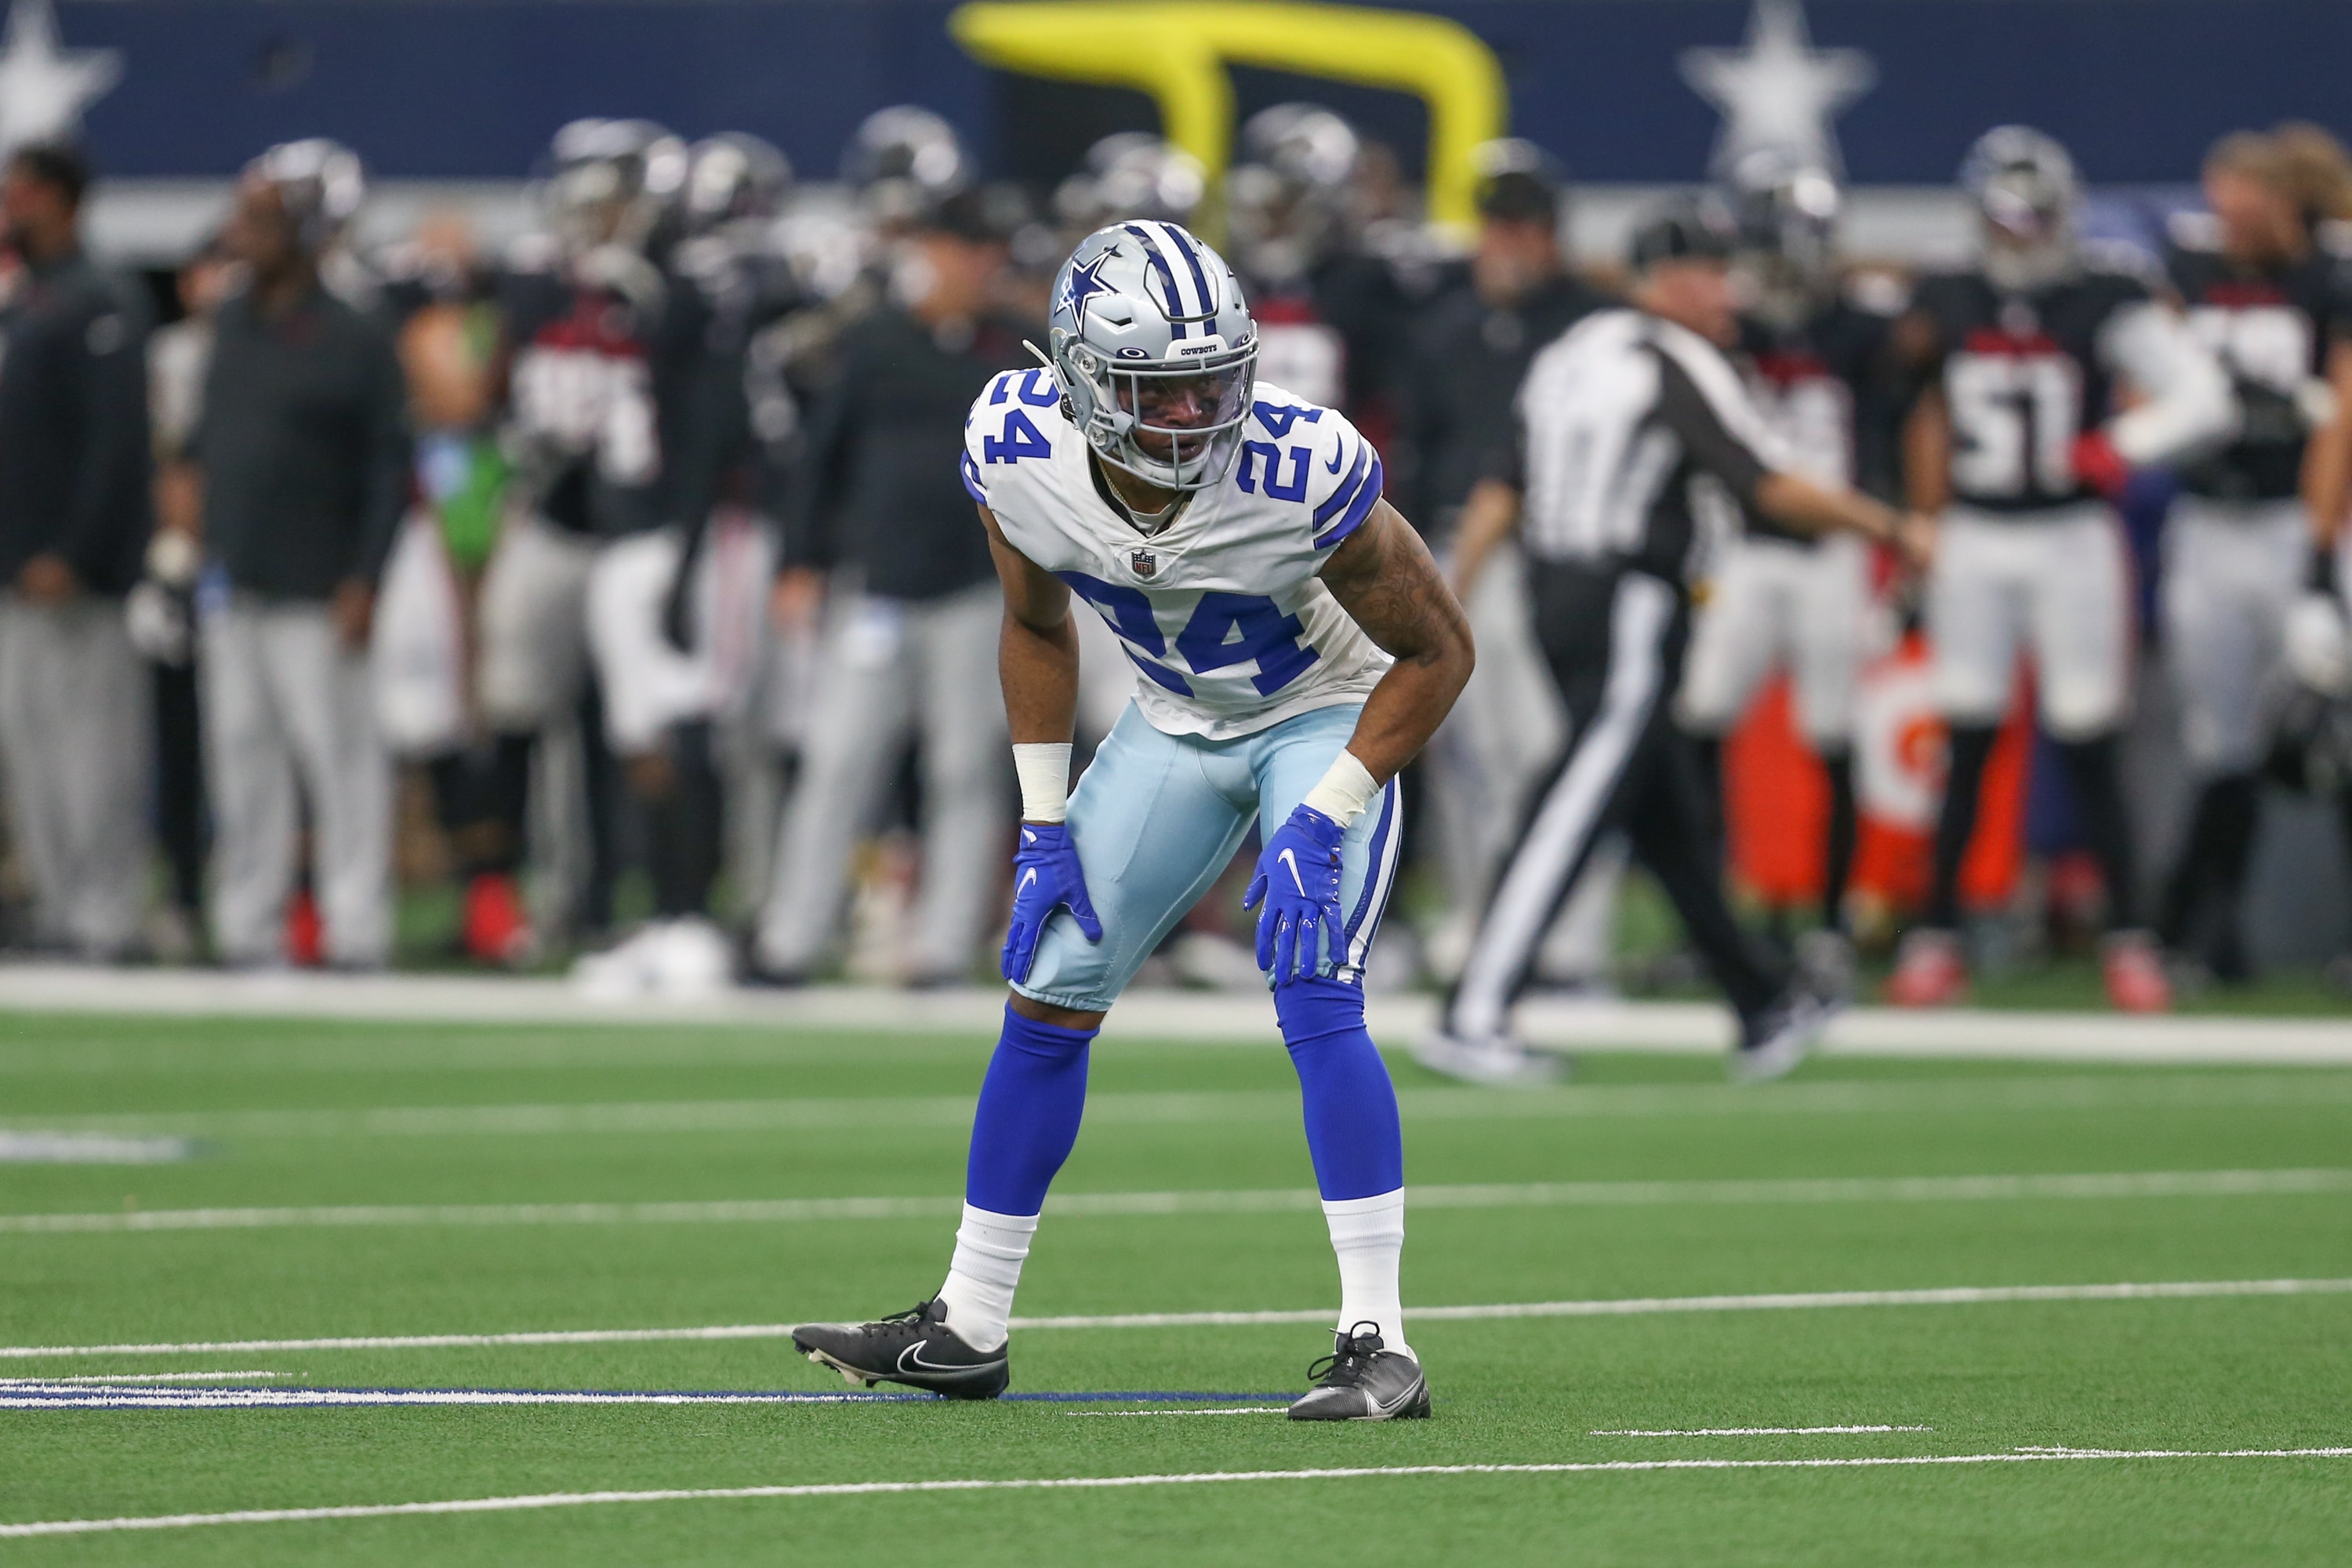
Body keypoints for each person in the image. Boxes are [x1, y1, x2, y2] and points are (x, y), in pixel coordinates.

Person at [789, 219, 1475, 1420]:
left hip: (1321, 711)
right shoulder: (1015, 448)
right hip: (1171, 718)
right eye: (1162, 391)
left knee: (1312, 976)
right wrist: (1043, 821)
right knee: (1049, 984)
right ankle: (969, 1323)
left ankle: (1382, 1343)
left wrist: (1335, 804)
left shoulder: (1300, 467)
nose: (1197, 413)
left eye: (1214, 381)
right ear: (1083, 379)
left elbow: (1437, 651)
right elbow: (1037, 622)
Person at [1419, 196, 1929, 1088]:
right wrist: (1889, 525)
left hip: (1554, 591)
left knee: (1667, 817)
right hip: (1627, 597)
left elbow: (1504, 481)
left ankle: (1760, 1000)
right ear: (1665, 281)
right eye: (1706, 271)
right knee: (1572, 796)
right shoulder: (1677, 358)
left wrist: (1454, 587)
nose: (1723, 289)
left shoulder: (1572, 352)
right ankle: (1475, 1005)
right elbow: (1764, 486)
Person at [1886, 128, 2236, 1011]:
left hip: (2073, 535)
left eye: (2038, 215)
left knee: (2088, 735)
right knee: (1965, 739)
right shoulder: (1945, 294)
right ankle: (1937, 935)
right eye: (2010, 215)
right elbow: (1913, 410)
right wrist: (1918, 525)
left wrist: (2121, 444)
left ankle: (2129, 936)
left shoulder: (2104, 292)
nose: (2024, 232)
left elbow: (2203, 396)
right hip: (1975, 531)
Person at [752, 187, 1030, 985]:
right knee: (839, 759)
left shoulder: (1016, 350)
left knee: (964, 767)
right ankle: (791, 936)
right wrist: (800, 560)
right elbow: (821, 457)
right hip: (877, 585)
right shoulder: (874, 342)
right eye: (958, 249)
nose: (971, 266)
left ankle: (942, 944)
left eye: (981, 251)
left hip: (980, 589)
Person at [574, 132, 797, 996]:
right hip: (636, 530)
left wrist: (690, 546)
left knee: (699, 721)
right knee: (646, 738)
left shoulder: (707, 291)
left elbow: (714, 427)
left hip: (704, 528)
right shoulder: (622, 290)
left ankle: (701, 919)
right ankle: (666, 914)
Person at [1675, 155, 1904, 983]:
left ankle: (1833, 920)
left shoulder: (1864, 325)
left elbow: (1906, 409)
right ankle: (1706, 918)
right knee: (1700, 724)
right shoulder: (1720, 326)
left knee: (1833, 736)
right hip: (1744, 546)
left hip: (1831, 552)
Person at [1400, 140, 1613, 974]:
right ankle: (1488, 919)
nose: (1510, 242)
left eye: (1526, 227)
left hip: (1560, 552)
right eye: (1498, 224)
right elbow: (1422, 451)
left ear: (1552, 235)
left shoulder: (1588, 323)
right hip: (1460, 550)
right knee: (1468, 753)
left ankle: (1570, 939)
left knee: (1556, 747)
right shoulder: (1446, 326)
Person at [194, 140, 409, 967]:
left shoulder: (354, 332)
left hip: (320, 580)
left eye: (259, 218)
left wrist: (366, 575)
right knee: (241, 758)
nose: (240, 232)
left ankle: (358, 924)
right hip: (237, 573)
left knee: (341, 760)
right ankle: (248, 923)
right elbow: (212, 440)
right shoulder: (235, 318)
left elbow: (390, 467)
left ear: (304, 228)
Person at [2157, 127, 2352, 981]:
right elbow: (2148, 378)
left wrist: (2318, 555)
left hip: (2296, 521)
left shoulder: (2327, 276)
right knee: (2220, 742)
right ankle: (2205, 936)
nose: (2232, 224)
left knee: (2337, 728)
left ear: (2286, 206)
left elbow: (2341, 418)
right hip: (2208, 520)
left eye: (2250, 207)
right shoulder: (2190, 271)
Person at [0, 141, 154, 961]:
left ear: (62, 200)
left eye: (21, 193)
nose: (10, 206)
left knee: (94, 751)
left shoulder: (102, 299)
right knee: (32, 749)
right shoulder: (27, 302)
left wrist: (76, 547)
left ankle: (107, 910)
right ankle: (61, 905)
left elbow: (115, 444)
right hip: (13, 571)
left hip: (76, 575)